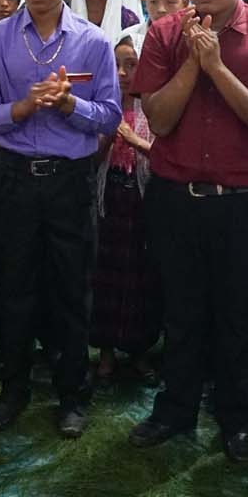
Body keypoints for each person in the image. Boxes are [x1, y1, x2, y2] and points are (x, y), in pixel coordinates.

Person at [127, 0, 248, 462]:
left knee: (241, 313)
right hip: (177, 196)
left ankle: (240, 417)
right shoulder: (163, 33)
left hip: (246, 200)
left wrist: (218, 68)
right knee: (181, 309)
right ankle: (175, 408)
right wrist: (192, 60)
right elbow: (157, 117)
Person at [0, 0, 122, 437]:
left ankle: (72, 395)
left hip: (69, 182)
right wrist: (23, 107)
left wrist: (68, 106)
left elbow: (111, 115)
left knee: (71, 289)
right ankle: (13, 390)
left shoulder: (94, 42)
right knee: (13, 286)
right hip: (14, 178)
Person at [91, 28, 160, 388]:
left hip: (144, 200)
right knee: (105, 275)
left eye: (132, 64)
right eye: (115, 65)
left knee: (141, 278)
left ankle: (140, 352)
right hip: (108, 198)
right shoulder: (102, 105)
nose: (123, 73)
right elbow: (90, 159)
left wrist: (135, 141)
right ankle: (104, 353)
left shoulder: (156, 107)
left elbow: (168, 157)